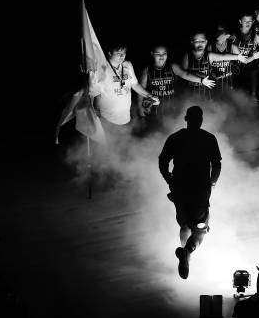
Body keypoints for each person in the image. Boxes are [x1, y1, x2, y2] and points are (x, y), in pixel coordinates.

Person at [158, 106, 222, 279]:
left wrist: (170, 181)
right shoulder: (209, 139)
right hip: (200, 192)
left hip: (179, 190)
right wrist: (212, 183)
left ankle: (185, 255)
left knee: (184, 224)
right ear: (201, 120)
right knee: (200, 229)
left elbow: (162, 162)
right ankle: (188, 252)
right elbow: (217, 165)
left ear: (186, 119)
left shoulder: (175, 138)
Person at [88, 43, 159, 139]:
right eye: (118, 53)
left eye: (124, 53)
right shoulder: (100, 68)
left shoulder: (127, 65)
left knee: (124, 148)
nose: (122, 56)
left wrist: (150, 96)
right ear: (109, 52)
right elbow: (95, 94)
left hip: (126, 119)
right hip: (107, 120)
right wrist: (97, 119)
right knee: (109, 151)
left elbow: (135, 84)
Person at [138, 44, 215, 130]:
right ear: (152, 54)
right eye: (158, 54)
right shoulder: (147, 70)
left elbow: (185, 74)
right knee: (156, 129)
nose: (161, 56)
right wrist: (140, 107)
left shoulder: (172, 67)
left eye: (164, 54)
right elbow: (141, 89)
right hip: (155, 107)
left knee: (171, 128)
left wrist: (201, 80)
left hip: (171, 105)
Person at [182, 32, 247, 100]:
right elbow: (184, 74)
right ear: (192, 42)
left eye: (202, 41)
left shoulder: (209, 55)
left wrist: (238, 57)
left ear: (206, 42)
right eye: (197, 41)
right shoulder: (187, 56)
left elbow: (223, 56)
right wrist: (200, 78)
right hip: (192, 92)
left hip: (207, 92)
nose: (200, 43)